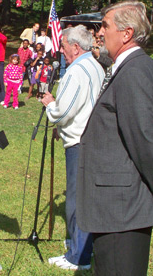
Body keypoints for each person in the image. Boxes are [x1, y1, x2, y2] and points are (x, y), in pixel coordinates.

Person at [76, 0, 153, 276]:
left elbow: (145, 139)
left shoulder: (134, 72)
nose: (99, 32)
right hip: (119, 206)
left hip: (121, 210)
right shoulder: (136, 67)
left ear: (127, 33)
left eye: (106, 26)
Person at [40, 25, 105, 271]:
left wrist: (50, 104)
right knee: (84, 198)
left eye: (64, 46)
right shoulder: (95, 66)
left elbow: (63, 111)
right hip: (90, 139)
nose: (61, 51)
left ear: (76, 47)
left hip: (80, 143)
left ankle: (78, 256)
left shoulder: (76, 71)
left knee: (77, 200)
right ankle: (80, 247)